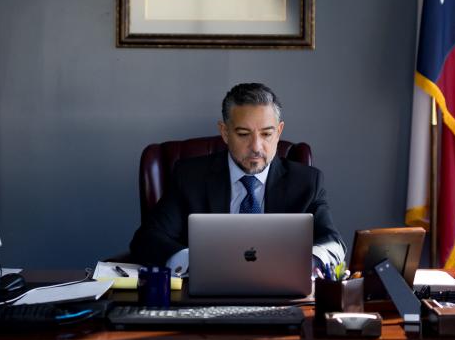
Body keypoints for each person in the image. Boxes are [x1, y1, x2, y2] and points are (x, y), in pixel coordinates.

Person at [129, 82, 346, 275]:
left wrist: (310, 262)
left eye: (267, 134)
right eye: (243, 134)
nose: (256, 147)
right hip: (205, 297)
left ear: (279, 132)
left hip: (282, 295)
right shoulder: (190, 177)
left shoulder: (307, 182)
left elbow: (333, 242)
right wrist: (193, 262)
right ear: (225, 132)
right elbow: (148, 238)